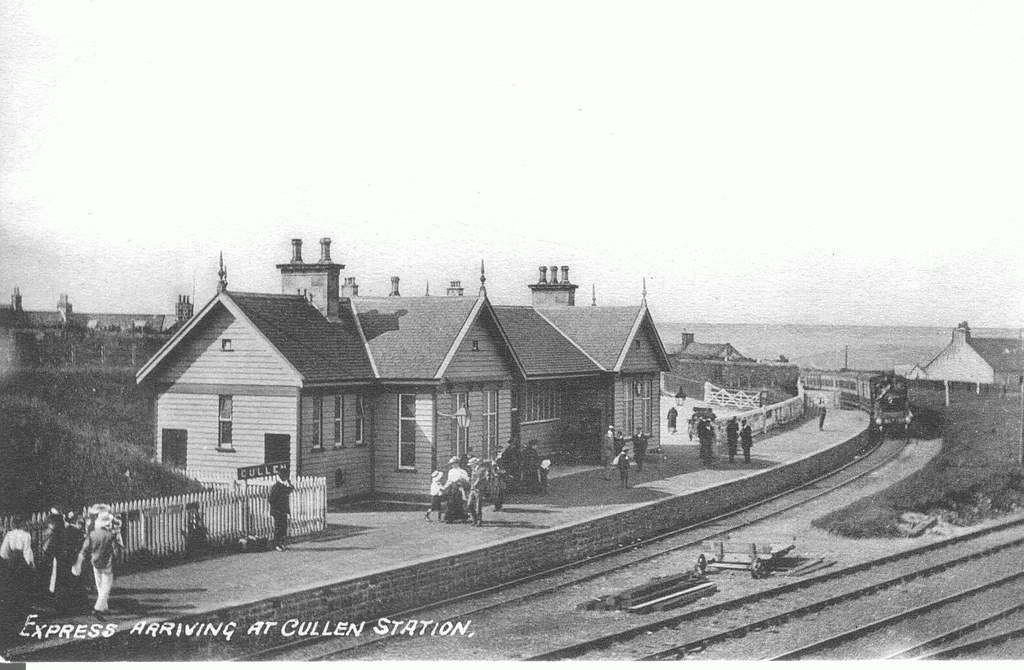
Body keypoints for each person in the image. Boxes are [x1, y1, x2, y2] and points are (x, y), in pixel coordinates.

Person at [74, 511, 120, 619]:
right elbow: (116, 551)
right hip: (108, 563)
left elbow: (85, 549)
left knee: (99, 585)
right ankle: (98, 608)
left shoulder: (92, 534)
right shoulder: (110, 535)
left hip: (95, 561)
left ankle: (104, 606)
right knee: (106, 587)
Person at [1, 515, 36, 640]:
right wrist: (31, 564)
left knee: (12, 585)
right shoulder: (26, 535)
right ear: (22, 523)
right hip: (21, 561)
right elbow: (27, 551)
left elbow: (3, 552)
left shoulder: (9, 534)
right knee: (22, 585)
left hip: (12, 561)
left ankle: (14, 607)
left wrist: (8, 559)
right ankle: (22, 608)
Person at [268, 468, 294, 551]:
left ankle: (281, 543)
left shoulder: (283, 486)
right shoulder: (276, 487)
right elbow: (271, 500)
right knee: (278, 528)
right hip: (278, 511)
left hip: (283, 511)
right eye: (285, 476)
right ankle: (276, 544)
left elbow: (291, 489)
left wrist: (289, 482)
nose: (286, 478)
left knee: (283, 527)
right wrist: (276, 509)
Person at [442, 457, 470, 523]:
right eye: (451, 464)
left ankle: (460, 517)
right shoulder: (451, 471)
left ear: (457, 463)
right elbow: (449, 481)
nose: (452, 465)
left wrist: (462, 480)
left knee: (458, 502)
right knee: (450, 502)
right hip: (452, 488)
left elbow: (467, 480)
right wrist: (444, 487)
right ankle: (449, 518)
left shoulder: (462, 471)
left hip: (459, 488)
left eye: (454, 463)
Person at [467, 458, 488, 526]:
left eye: (471, 464)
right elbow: (472, 479)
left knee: (478, 505)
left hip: (479, 489)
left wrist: (474, 485)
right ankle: (474, 519)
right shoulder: (473, 470)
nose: (470, 466)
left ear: (474, 464)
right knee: (469, 504)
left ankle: (479, 520)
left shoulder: (482, 469)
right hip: (472, 489)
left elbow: (479, 479)